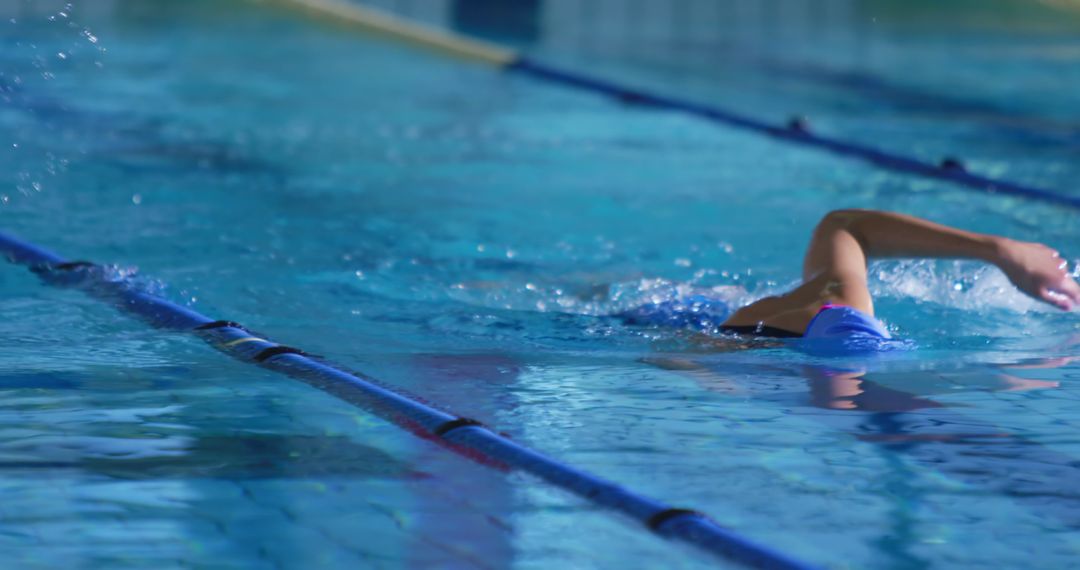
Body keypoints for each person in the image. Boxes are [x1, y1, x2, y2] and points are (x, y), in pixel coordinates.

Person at [623, 209, 1080, 347]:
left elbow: (846, 225)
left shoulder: (835, 302)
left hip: (750, 334)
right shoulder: (832, 305)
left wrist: (998, 250)